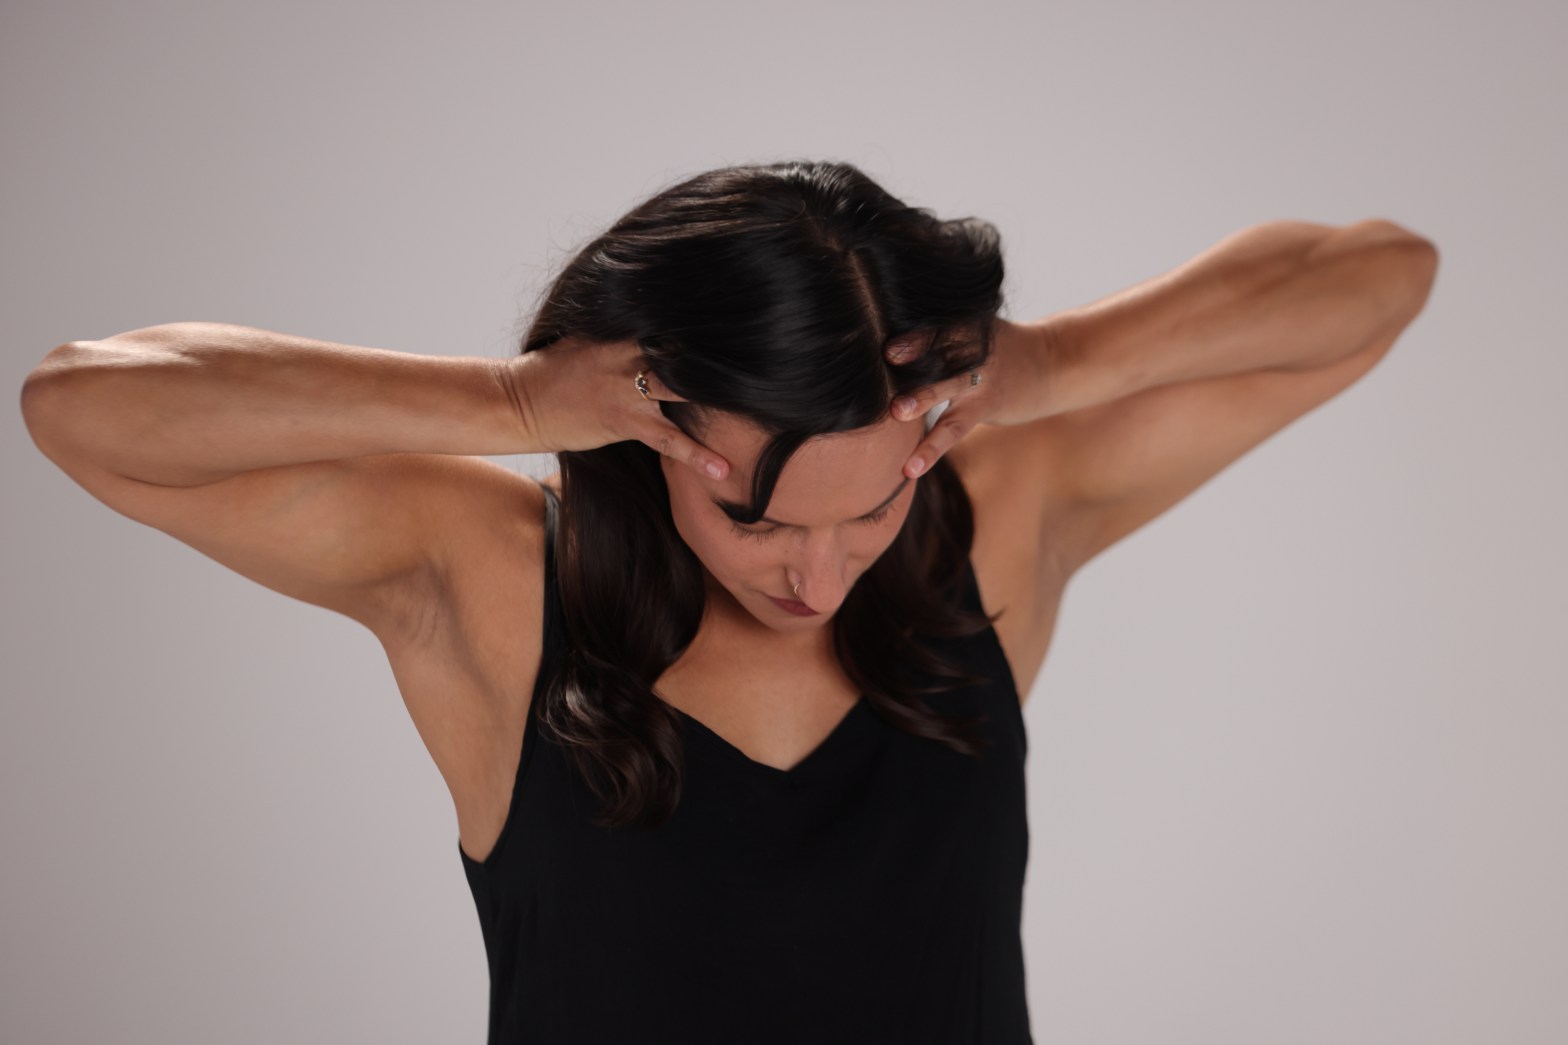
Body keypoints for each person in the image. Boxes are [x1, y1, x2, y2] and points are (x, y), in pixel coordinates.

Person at [19, 160, 1438, 1044]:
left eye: (869, 510)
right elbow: (85, 406)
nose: (816, 577)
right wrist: (514, 398)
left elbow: (1380, 280)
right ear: (648, 433)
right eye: (755, 518)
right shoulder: (494, 578)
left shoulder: (994, 523)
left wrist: (1061, 360)